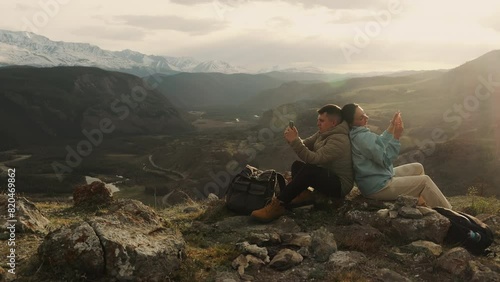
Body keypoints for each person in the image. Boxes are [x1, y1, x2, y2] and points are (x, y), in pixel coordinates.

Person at [250, 104, 354, 222]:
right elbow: (306, 143)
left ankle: (278, 205)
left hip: (339, 185)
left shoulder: (339, 140)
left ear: (333, 123)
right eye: (318, 120)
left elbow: (313, 159)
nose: (318, 123)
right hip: (329, 175)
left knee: (309, 170)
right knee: (297, 165)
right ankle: (303, 194)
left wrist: (295, 141)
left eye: (321, 120)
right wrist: (294, 138)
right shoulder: (324, 132)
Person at [341, 103, 452, 209]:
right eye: (361, 118)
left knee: (418, 167)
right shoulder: (362, 138)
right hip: (378, 187)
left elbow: (379, 143)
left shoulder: (358, 134)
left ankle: (421, 205)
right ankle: (452, 217)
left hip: (379, 177)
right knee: (425, 182)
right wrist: (397, 137)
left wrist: (392, 126)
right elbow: (386, 160)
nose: (366, 117)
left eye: (364, 113)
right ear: (351, 123)